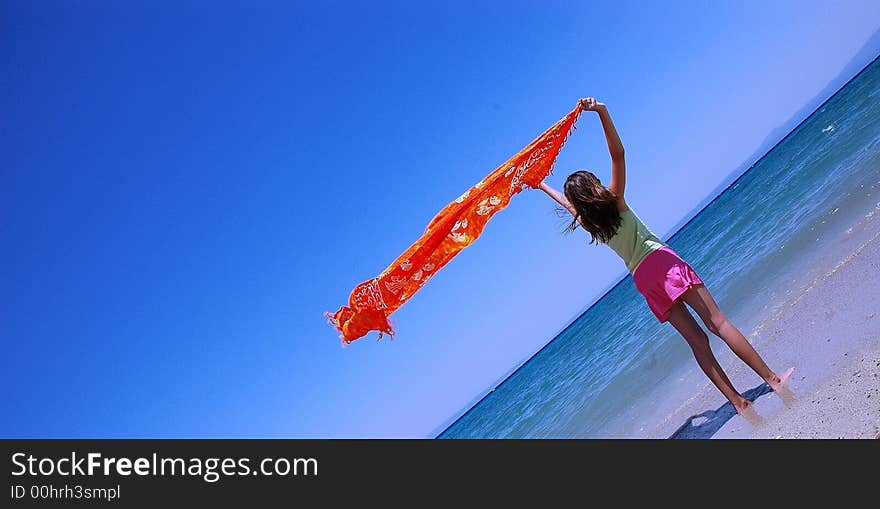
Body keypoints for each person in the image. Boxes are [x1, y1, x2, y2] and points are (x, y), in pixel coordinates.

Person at [536, 97, 794, 420]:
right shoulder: (615, 200)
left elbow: (569, 208)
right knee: (718, 323)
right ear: (595, 186)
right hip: (661, 262)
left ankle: (739, 403)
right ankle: (772, 379)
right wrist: (601, 111)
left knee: (697, 342)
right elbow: (618, 153)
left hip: (643, 280)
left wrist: (542, 185)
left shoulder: (591, 222)